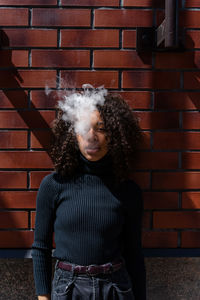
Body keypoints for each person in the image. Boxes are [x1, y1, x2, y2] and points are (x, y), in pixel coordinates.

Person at [32, 92, 146, 300]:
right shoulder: (53, 185)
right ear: (73, 134)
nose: (92, 136)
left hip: (115, 287)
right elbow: (41, 247)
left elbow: (134, 253)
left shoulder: (128, 191)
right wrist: (43, 296)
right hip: (67, 288)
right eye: (84, 127)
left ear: (114, 134)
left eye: (101, 128)